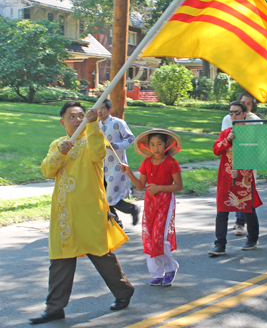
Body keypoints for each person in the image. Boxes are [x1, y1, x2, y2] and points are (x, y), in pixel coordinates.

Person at [31, 101, 134, 324]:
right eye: (72, 117)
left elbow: (98, 155)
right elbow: (48, 170)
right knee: (60, 258)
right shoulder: (58, 144)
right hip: (64, 213)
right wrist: (60, 152)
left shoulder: (93, 140)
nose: (77, 120)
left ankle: (124, 291)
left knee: (100, 253)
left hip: (90, 210)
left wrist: (94, 124)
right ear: (62, 122)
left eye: (80, 116)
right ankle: (54, 307)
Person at [120, 129, 183, 286]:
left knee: (159, 237)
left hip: (165, 201)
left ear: (166, 144)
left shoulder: (171, 163)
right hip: (150, 203)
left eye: (159, 144)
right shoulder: (146, 163)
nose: (156, 148)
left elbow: (179, 186)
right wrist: (128, 173)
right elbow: (141, 185)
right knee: (149, 237)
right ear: (147, 146)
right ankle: (157, 273)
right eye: (152, 144)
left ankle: (170, 267)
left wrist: (160, 188)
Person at [209, 101, 263, 256]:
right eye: (231, 112)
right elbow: (216, 150)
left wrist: (240, 172)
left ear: (245, 114)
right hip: (225, 178)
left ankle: (252, 238)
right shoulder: (226, 133)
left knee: (248, 209)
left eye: (237, 112)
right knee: (222, 211)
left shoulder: (250, 134)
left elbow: (254, 157)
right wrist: (228, 141)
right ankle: (220, 244)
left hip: (243, 178)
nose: (233, 115)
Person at [221, 92, 261, 236]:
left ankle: (246, 229)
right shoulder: (228, 119)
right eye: (243, 102)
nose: (234, 115)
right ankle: (225, 236)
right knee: (229, 196)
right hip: (230, 163)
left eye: (249, 104)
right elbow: (223, 140)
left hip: (248, 163)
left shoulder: (255, 120)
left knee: (246, 195)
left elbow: (257, 142)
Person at [98, 99, 140, 227]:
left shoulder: (118, 123)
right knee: (102, 196)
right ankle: (115, 223)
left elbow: (130, 138)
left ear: (109, 110)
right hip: (100, 166)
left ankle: (132, 209)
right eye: (98, 109)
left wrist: (116, 146)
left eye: (103, 109)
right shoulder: (96, 126)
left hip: (116, 166)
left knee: (111, 198)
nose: (100, 111)